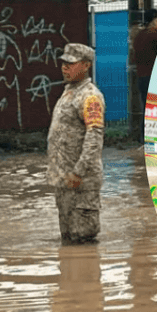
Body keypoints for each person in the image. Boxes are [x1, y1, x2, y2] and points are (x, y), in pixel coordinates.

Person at [48, 43, 105, 244]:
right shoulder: (69, 92)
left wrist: (78, 172)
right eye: (63, 63)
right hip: (65, 180)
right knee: (68, 241)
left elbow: (94, 137)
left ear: (86, 65)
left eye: (71, 64)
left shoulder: (90, 96)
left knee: (83, 240)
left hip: (81, 181)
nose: (65, 67)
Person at [132, 9, 157, 112]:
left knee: (146, 108)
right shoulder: (155, 33)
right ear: (151, 22)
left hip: (142, 77)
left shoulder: (139, 36)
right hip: (154, 77)